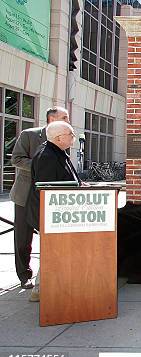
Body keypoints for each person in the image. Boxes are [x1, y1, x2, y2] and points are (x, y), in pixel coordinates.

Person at [10, 107, 70, 290]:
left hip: (49, 196)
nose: (68, 120)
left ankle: (47, 275)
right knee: (23, 236)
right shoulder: (29, 135)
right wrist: (40, 165)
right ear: (52, 119)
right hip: (25, 193)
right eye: (64, 117)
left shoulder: (62, 136)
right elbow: (17, 159)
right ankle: (24, 275)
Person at [25, 121, 81, 302]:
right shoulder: (47, 156)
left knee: (56, 251)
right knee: (52, 252)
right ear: (59, 138)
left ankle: (45, 288)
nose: (73, 137)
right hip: (50, 216)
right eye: (70, 134)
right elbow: (48, 189)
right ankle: (40, 290)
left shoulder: (57, 152)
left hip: (57, 216)